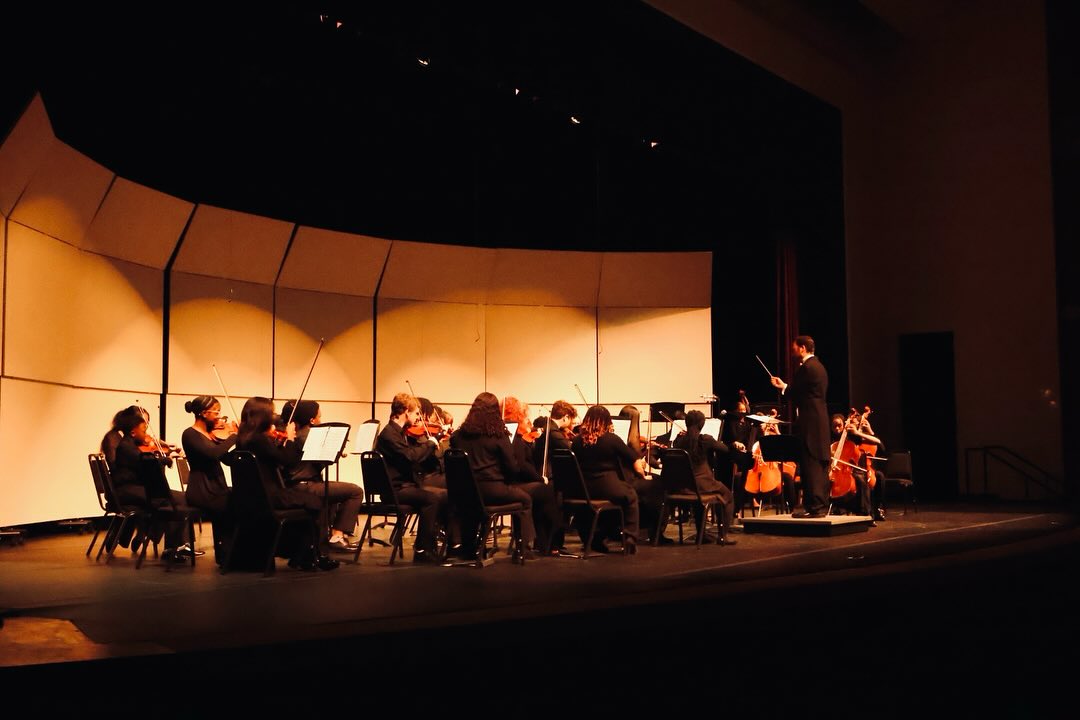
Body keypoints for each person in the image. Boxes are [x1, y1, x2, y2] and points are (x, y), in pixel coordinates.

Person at [235, 397, 338, 571]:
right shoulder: (259, 440)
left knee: (308, 500)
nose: (275, 416)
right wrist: (290, 439)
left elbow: (273, 458)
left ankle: (301, 554)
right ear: (263, 416)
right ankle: (312, 555)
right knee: (315, 501)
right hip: (270, 496)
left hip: (253, 496)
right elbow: (288, 461)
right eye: (271, 412)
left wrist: (278, 444)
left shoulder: (243, 439)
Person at [450, 392, 536, 560]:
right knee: (525, 500)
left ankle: (469, 547)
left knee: (471, 506)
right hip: (492, 490)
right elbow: (512, 468)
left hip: (466, 491)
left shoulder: (458, 436)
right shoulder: (498, 435)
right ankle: (523, 549)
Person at [102, 410, 192, 563]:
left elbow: (145, 460)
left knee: (172, 498)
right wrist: (165, 459)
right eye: (144, 430)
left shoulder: (129, 444)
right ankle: (172, 546)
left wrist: (162, 452)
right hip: (127, 490)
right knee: (176, 499)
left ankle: (159, 538)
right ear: (133, 432)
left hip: (131, 488)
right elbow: (146, 462)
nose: (147, 434)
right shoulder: (126, 447)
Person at [280, 400, 364, 553]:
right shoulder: (310, 436)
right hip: (305, 486)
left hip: (298, 485)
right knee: (355, 491)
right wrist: (335, 451)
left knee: (334, 492)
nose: (321, 420)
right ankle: (337, 536)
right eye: (319, 417)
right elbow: (322, 461)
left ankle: (326, 538)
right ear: (312, 420)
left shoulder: (297, 435)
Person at [375, 393, 449, 564]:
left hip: (405, 486)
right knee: (432, 499)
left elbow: (411, 458)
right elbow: (410, 457)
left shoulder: (398, 432)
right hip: (396, 490)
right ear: (406, 412)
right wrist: (430, 443)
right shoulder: (389, 435)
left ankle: (439, 544)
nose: (418, 418)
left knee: (445, 495)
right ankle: (422, 549)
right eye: (416, 413)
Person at [570, 405, 645, 554]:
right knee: (630, 496)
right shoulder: (612, 439)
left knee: (593, 509)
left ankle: (594, 540)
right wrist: (642, 474)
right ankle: (629, 537)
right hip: (607, 487)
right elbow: (634, 460)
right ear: (606, 421)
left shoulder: (577, 441)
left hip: (583, 489)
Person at [770, 335, 830, 518]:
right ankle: (817, 505)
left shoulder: (807, 368)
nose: (792, 350)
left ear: (803, 348)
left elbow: (796, 392)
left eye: (795, 347)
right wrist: (785, 386)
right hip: (818, 420)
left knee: (810, 463)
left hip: (811, 422)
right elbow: (804, 392)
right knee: (816, 463)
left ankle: (815, 507)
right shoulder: (818, 366)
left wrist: (783, 387)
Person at [503, 396, 566, 556]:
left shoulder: (513, 438)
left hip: (514, 482)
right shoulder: (516, 440)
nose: (529, 423)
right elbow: (522, 466)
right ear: (518, 418)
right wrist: (539, 478)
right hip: (516, 484)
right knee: (547, 492)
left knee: (542, 494)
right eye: (526, 419)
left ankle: (543, 541)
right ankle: (551, 540)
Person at [180, 395, 237, 563]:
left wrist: (241, 443)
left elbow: (226, 459)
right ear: (204, 413)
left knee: (240, 499)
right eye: (216, 412)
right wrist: (233, 437)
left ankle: (230, 554)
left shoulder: (210, 434)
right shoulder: (190, 434)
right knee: (233, 504)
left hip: (215, 486)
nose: (220, 417)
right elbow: (213, 454)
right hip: (202, 489)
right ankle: (227, 554)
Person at [672, 410, 737, 545]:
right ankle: (723, 536)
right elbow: (725, 449)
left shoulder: (678, 441)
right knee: (728, 496)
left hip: (683, 486)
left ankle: (701, 535)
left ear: (686, 423)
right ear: (702, 425)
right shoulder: (705, 440)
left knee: (699, 500)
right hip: (702, 484)